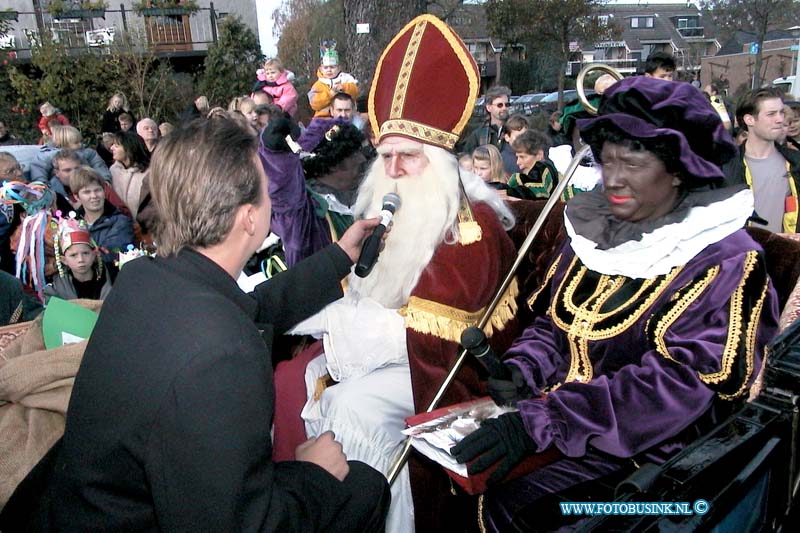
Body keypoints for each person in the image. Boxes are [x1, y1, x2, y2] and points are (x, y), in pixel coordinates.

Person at [7, 116, 391, 532]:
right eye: (266, 190)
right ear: (249, 218)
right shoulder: (221, 355)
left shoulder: (147, 279)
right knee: (365, 486)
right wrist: (315, 474)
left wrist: (339, 257)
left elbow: (249, 308)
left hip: (74, 507)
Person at [450, 75, 780, 532]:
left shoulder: (725, 259)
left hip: (658, 462)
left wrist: (544, 422)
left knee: (520, 508)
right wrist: (522, 369)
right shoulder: (597, 230)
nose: (614, 180)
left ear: (679, 167)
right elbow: (554, 324)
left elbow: (678, 384)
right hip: (564, 424)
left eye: (633, 163)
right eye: (607, 162)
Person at [274, 14, 518, 532]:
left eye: (408, 156)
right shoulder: (389, 208)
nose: (394, 169)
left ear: (438, 158)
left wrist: (338, 325)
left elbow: (446, 336)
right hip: (400, 358)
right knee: (324, 391)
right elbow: (362, 283)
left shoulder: (471, 224)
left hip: (449, 373)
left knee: (355, 408)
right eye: (386, 156)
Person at [260, 118, 367, 267]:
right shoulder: (304, 214)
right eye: (353, 155)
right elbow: (283, 195)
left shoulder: (364, 193)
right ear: (332, 164)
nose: (361, 159)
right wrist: (275, 153)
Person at [722, 87, 800, 233]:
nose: (780, 119)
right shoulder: (726, 166)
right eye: (771, 114)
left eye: (781, 112)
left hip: (787, 252)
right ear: (749, 119)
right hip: (743, 253)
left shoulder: (795, 162)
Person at [43, 215, 112, 302]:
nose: (81, 259)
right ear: (64, 260)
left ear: (94, 254)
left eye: (85, 253)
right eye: (73, 255)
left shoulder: (112, 278)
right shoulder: (55, 290)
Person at [72, 166, 134, 262]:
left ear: (104, 191)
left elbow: (113, 255)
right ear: (76, 197)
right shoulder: (70, 224)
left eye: (97, 190)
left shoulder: (120, 222)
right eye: (87, 192)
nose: (94, 196)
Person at [29, 125, 111, 183]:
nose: (80, 144)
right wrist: (42, 184)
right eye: (76, 142)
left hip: (85, 182)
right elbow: (39, 168)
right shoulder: (49, 155)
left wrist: (104, 178)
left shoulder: (86, 152)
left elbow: (98, 164)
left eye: (80, 141)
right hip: (61, 185)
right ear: (64, 143)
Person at [507, 129, 565, 199]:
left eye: (522, 157)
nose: (518, 162)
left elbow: (538, 190)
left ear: (539, 155)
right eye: (517, 157)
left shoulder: (545, 167)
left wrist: (510, 193)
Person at [308, 41, 359, 118]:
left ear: (338, 68)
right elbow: (314, 103)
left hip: (347, 115)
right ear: (321, 69)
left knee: (359, 123)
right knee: (315, 127)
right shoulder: (318, 85)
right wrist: (330, 94)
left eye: (332, 67)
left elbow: (355, 91)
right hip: (324, 117)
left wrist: (344, 87)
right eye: (326, 68)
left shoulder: (346, 78)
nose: (329, 70)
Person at [459, 85, 512, 154]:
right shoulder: (478, 135)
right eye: (500, 105)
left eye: (507, 104)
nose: (504, 108)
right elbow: (467, 157)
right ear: (489, 107)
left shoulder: (515, 130)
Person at [109, 130, 151, 218]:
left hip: (146, 226)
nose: (111, 148)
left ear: (129, 148)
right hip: (120, 226)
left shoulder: (150, 172)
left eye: (116, 146)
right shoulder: (113, 171)